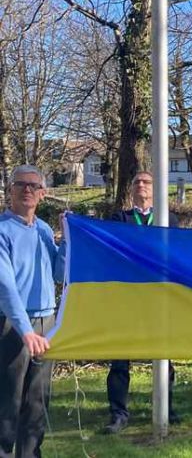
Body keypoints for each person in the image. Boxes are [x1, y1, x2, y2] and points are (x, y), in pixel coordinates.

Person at [103, 171, 181, 434]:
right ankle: (118, 413)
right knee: (120, 358)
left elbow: (177, 254)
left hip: (159, 297)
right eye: (136, 181)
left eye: (147, 181)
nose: (141, 185)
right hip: (127, 296)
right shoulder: (120, 218)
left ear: (155, 188)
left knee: (164, 356)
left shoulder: (168, 219)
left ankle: (166, 407)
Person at [0, 165, 65, 458]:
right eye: (20, 184)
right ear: (10, 191)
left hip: (46, 320)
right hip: (12, 324)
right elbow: (5, 286)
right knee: (8, 398)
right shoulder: (2, 230)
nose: (27, 189)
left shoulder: (42, 228)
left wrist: (68, 240)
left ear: (43, 193)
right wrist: (25, 330)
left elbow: (60, 271)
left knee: (38, 400)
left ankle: (30, 454)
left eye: (33, 185)